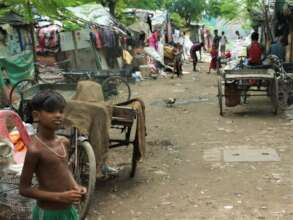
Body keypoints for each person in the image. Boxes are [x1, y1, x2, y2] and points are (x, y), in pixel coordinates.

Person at [20, 90, 86, 220]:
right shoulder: (35, 150)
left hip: (68, 210)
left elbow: (65, 169)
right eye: (51, 111)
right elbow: (24, 189)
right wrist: (60, 196)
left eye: (61, 111)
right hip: (48, 213)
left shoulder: (64, 142)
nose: (58, 115)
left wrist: (75, 186)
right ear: (36, 115)